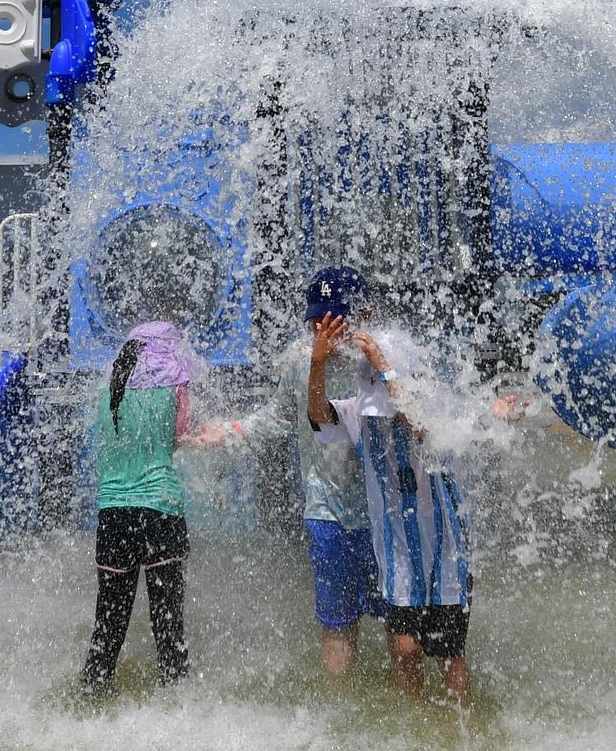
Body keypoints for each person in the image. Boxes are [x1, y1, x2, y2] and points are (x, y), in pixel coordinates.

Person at [306, 311, 522, 705]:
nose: (381, 420)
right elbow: (319, 418)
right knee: (406, 650)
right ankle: (416, 724)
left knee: (446, 654)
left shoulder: (431, 405)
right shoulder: (360, 413)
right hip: (399, 555)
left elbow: (420, 425)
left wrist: (385, 370)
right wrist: (318, 363)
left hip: (445, 553)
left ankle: (460, 723)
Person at [198, 266, 385, 676]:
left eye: (332, 320)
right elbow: (278, 417)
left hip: (383, 511)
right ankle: (342, 714)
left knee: (399, 627)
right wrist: (230, 432)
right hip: (328, 513)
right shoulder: (301, 363)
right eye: (316, 321)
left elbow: (424, 408)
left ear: (362, 315)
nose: (323, 329)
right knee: (339, 625)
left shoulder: (380, 359)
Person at [82, 321, 198, 694]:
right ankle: (178, 708)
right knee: (168, 626)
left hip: (113, 514)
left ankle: (90, 700)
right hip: (161, 511)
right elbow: (179, 437)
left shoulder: (108, 390)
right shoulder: (176, 386)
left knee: (108, 624)